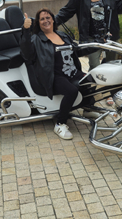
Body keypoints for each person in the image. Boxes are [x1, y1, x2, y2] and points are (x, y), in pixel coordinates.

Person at [20, 8, 85, 140]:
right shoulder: (36, 39)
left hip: (73, 72)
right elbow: (27, 54)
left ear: (53, 19)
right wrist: (26, 30)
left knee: (91, 80)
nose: (46, 20)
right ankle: (60, 123)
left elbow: (77, 51)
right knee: (71, 91)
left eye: (48, 17)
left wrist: (100, 43)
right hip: (54, 76)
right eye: (42, 19)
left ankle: (88, 108)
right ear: (38, 23)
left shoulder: (62, 35)